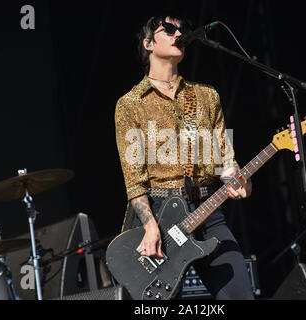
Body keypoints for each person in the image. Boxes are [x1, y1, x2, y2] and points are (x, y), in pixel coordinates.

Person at [114, 15, 254, 300]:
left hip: (209, 209)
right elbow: (134, 179)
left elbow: (224, 159)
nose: (179, 32)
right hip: (158, 213)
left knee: (239, 295)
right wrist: (150, 226)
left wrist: (238, 179)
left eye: (183, 29)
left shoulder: (206, 96)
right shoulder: (131, 104)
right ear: (148, 43)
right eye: (169, 28)